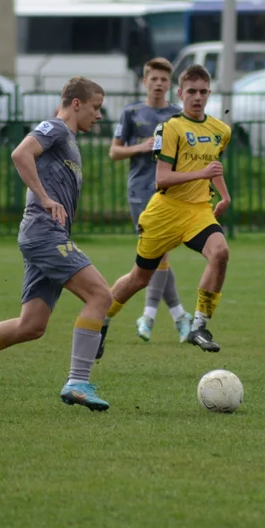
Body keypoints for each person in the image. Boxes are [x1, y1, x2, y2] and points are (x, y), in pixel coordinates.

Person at [0, 77, 114, 411]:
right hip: (44, 234)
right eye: (95, 107)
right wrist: (44, 198)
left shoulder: (68, 138)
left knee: (32, 326)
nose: (99, 115)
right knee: (101, 295)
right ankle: (78, 381)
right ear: (76, 103)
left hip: (46, 236)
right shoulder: (55, 128)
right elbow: (20, 153)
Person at [98, 64, 232, 357]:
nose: (197, 97)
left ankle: (199, 325)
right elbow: (162, 178)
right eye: (192, 92)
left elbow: (213, 166)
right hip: (165, 212)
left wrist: (223, 194)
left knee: (220, 252)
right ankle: (99, 323)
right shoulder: (170, 128)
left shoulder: (221, 130)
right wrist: (202, 174)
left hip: (198, 211)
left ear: (209, 93)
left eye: (203, 92)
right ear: (181, 93)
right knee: (139, 278)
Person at [109, 57, 193, 344]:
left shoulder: (177, 116)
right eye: (153, 79)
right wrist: (141, 147)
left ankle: (155, 317)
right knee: (157, 256)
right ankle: (176, 316)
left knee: (159, 255)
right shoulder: (132, 112)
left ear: (170, 84)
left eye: (163, 80)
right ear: (145, 82)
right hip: (140, 192)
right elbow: (114, 152)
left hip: (168, 192)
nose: (158, 84)